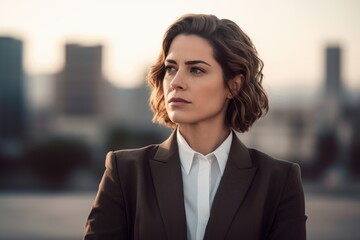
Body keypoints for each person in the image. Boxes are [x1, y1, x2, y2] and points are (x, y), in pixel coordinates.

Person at [84, 13, 307, 240]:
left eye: (196, 70)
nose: (176, 82)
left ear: (233, 86)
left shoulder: (279, 181)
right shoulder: (125, 172)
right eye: (171, 68)